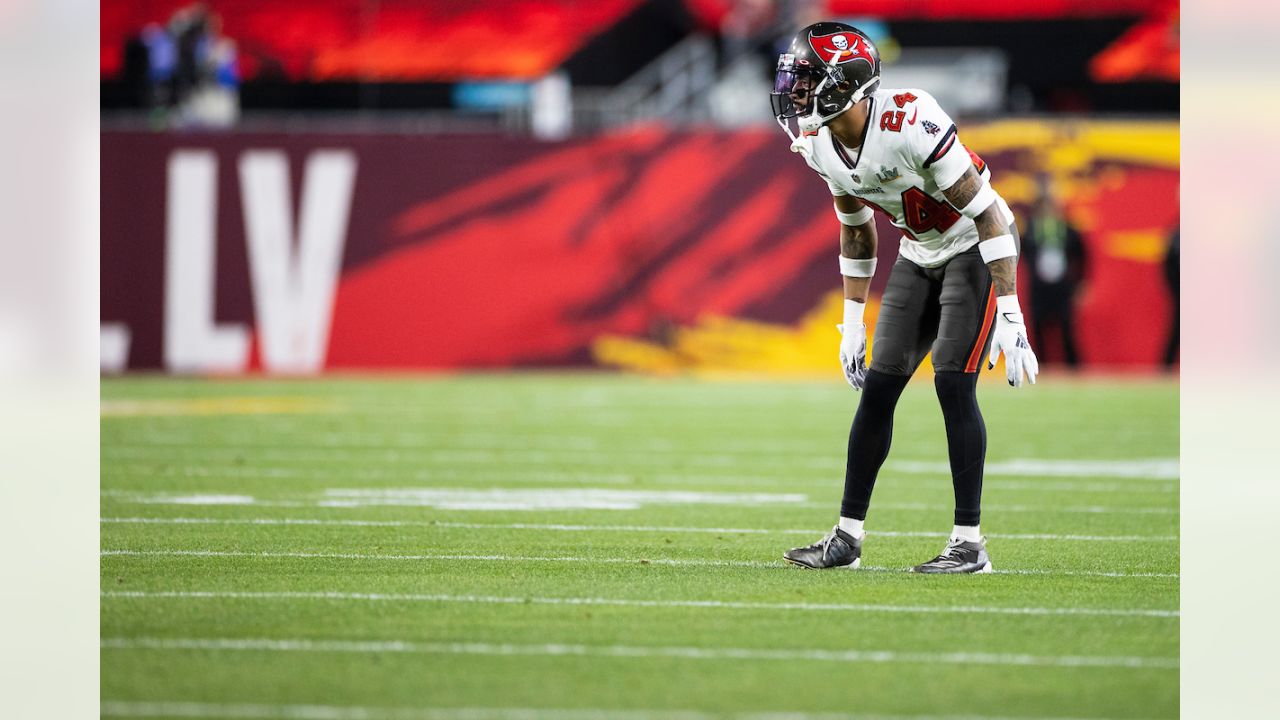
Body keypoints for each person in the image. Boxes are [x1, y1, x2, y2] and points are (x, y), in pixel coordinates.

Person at [770, 22, 1038, 574]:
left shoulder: (910, 119)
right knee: (880, 385)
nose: (795, 92)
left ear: (845, 83)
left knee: (951, 382)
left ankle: (969, 545)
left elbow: (988, 213)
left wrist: (1011, 313)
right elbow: (858, 229)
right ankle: (846, 538)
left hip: (974, 246)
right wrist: (851, 320)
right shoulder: (820, 143)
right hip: (920, 252)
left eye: (808, 79)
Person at [1022, 175, 1086, 367]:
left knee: (1066, 330)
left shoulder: (1066, 228)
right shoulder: (1031, 228)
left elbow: (1082, 254)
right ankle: (1040, 369)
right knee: (1038, 330)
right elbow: (1021, 252)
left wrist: (1080, 281)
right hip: (1039, 288)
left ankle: (1074, 370)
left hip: (1062, 288)